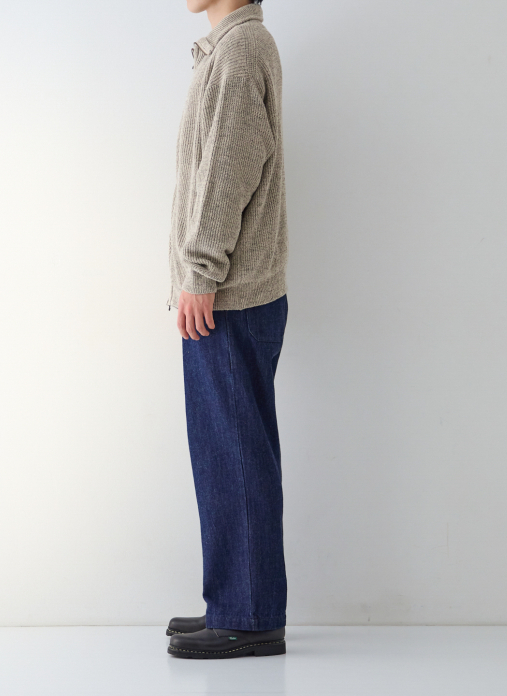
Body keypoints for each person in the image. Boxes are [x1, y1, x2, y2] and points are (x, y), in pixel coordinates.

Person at [166, 0, 289, 659]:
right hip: (231, 295)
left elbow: (227, 173)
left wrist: (200, 272)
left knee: (234, 456)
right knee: (226, 454)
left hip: (229, 297)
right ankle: (236, 603)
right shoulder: (232, 49)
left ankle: (248, 615)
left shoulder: (240, 52)